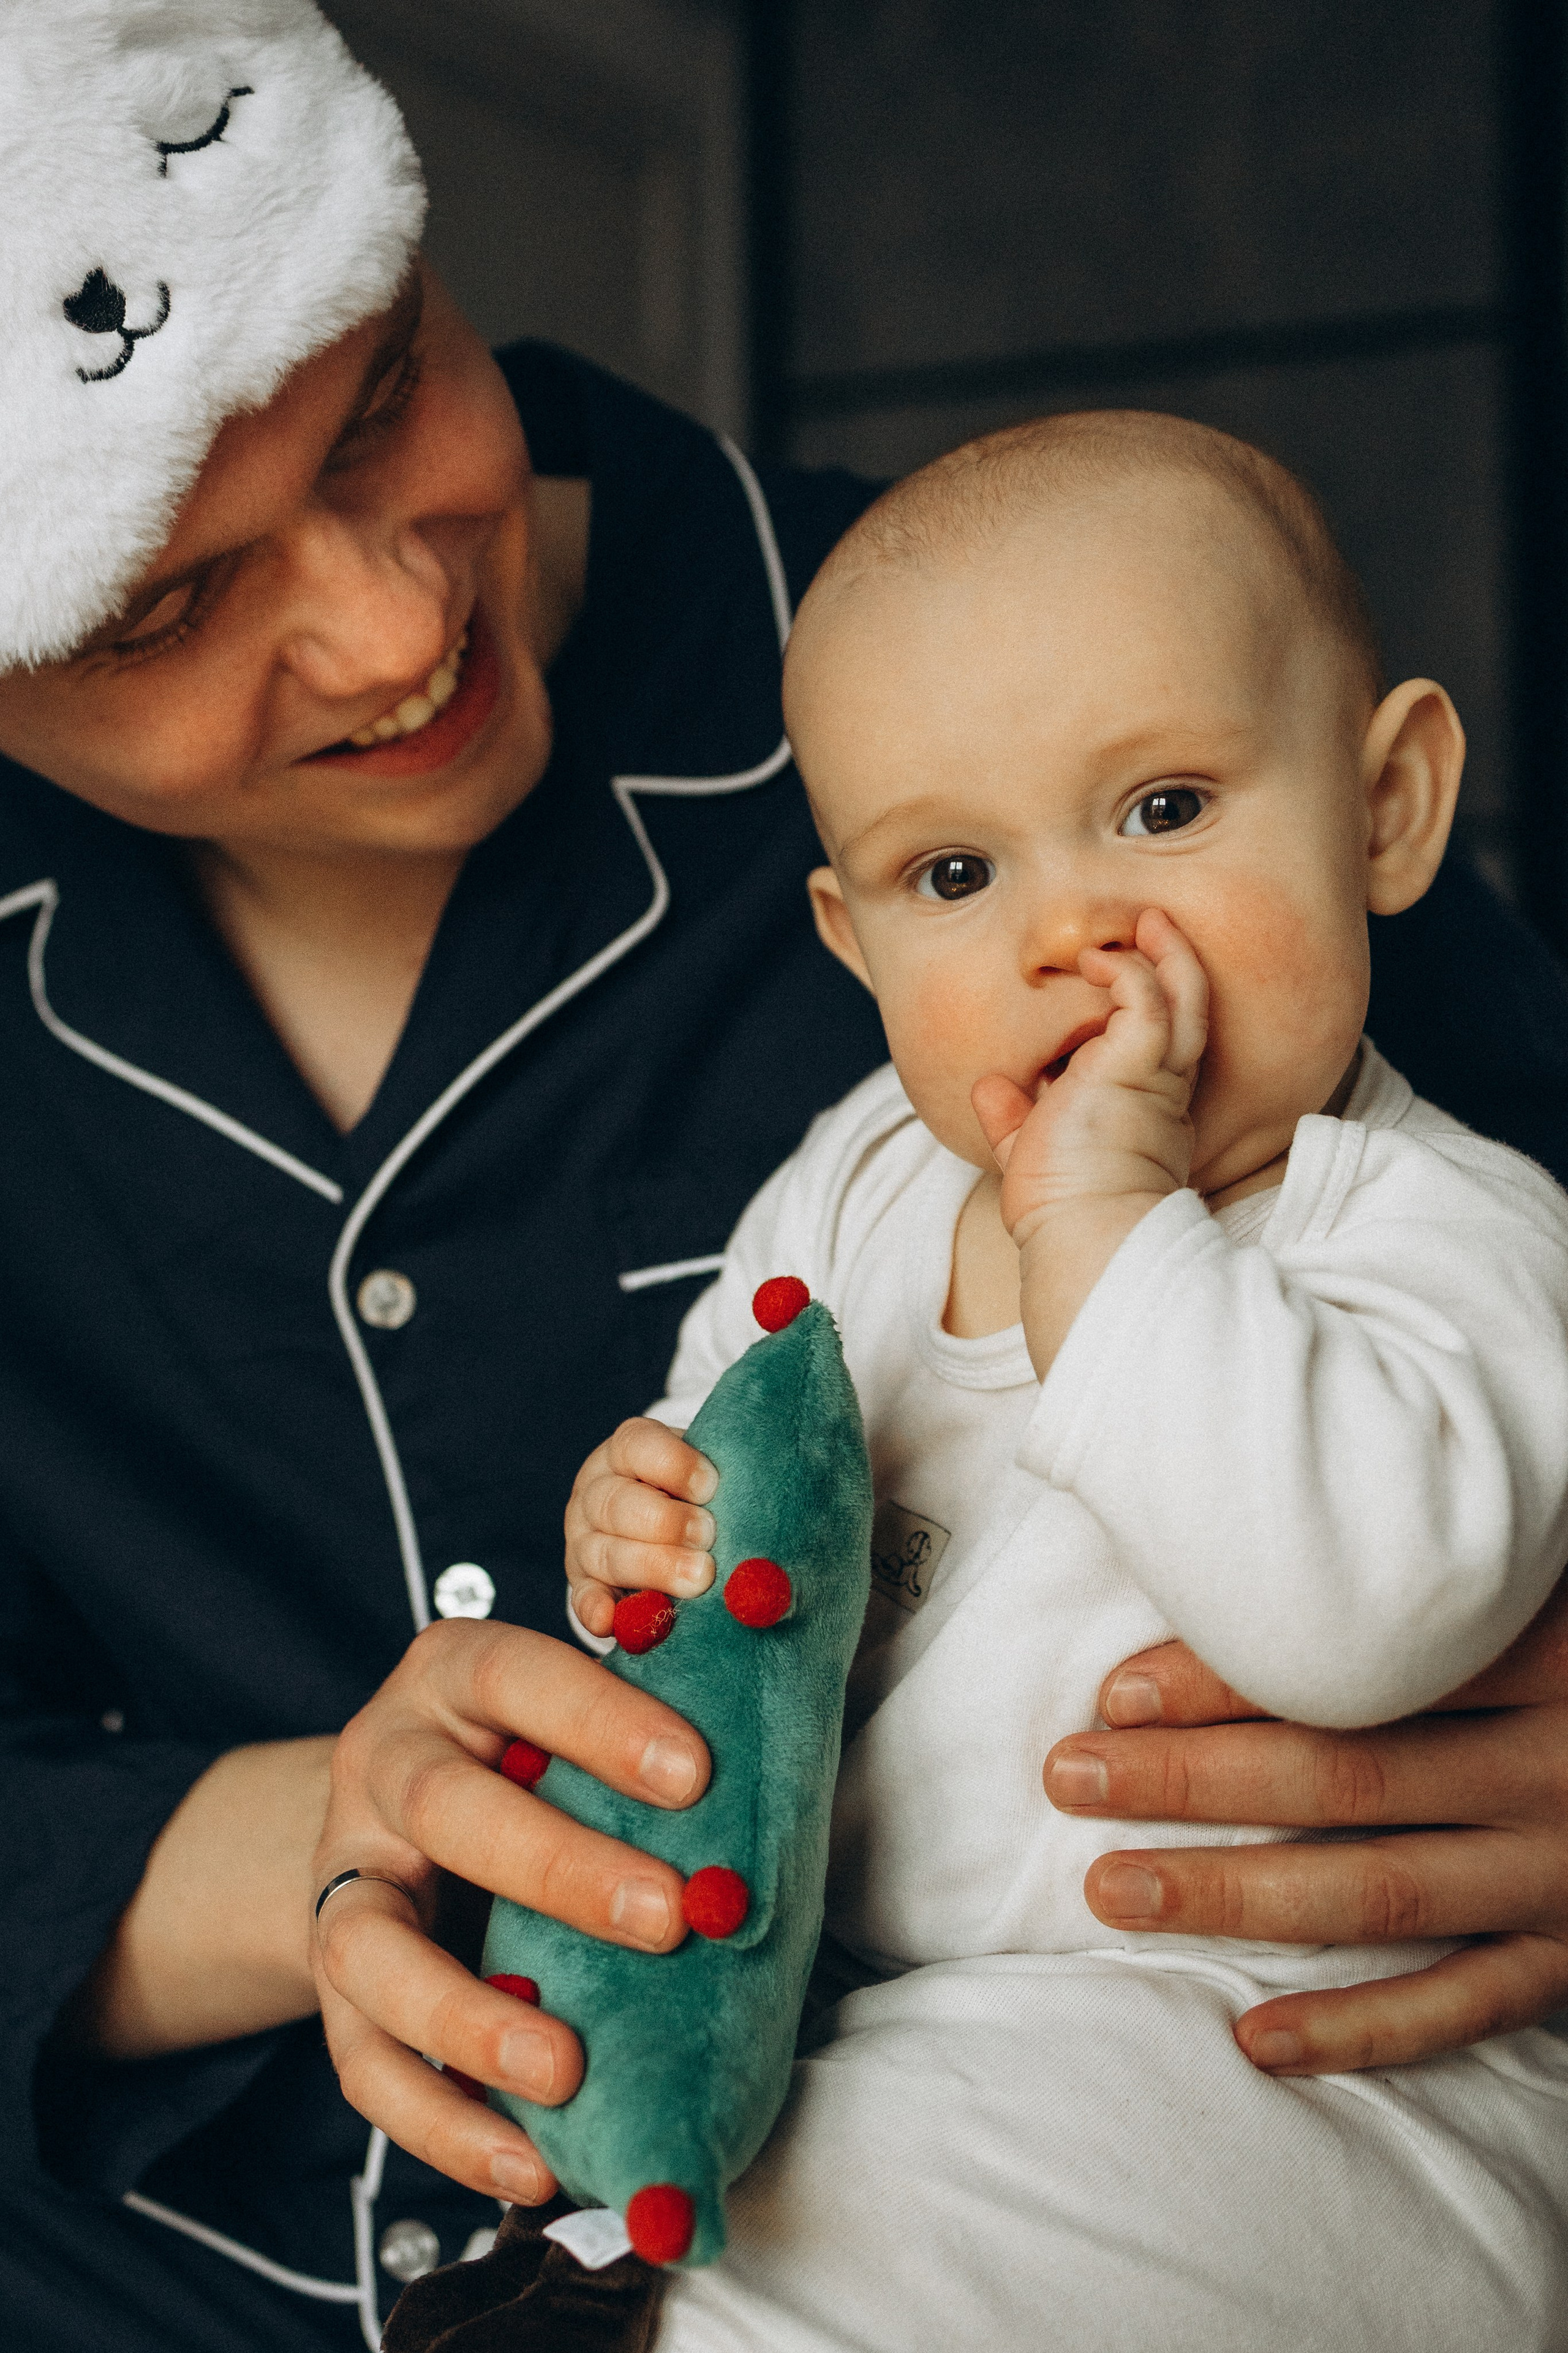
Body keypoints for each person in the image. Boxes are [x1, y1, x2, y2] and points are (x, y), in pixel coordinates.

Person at [3, 8, 1568, 2351]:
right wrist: (334, 1825)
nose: (398, 620)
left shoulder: (1066, 670)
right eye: (167, 610)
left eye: (383, 398)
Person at [546, 414, 1568, 2351]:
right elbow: (728, 1449)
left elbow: (1353, 1618)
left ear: (1389, 809)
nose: (1066, 933)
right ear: (853, 940)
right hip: (915, 2014)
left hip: (1329, 2081)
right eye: (954, 868)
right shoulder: (859, 1174)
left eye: (1165, 809)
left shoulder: (1457, 1237)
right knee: (808, 2169)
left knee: (885, 2192)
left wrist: (1105, 1220)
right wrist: (641, 1521)